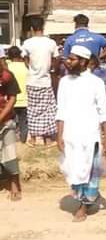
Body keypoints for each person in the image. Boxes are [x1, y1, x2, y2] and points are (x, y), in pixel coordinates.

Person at [56, 45, 106, 222]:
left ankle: (83, 206)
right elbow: (61, 110)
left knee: (89, 169)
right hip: (70, 135)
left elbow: (104, 112)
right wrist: (59, 134)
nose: (68, 62)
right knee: (73, 169)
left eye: (72, 59)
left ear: (83, 62)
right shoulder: (64, 82)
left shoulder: (96, 83)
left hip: (90, 134)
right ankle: (83, 198)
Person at [22, 16, 59, 147]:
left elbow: (25, 59)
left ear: (31, 28)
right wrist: (50, 69)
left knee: (32, 110)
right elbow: (56, 60)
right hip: (46, 81)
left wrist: (31, 68)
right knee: (48, 110)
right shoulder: (51, 43)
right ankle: (47, 139)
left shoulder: (27, 43)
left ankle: (33, 139)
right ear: (43, 27)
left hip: (32, 81)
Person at [0, 51, 22, 201]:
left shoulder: (7, 76)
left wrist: (1, 117)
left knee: (10, 152)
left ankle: (14, 184)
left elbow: (12, 99)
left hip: (6, 119)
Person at [6, 47, 28, 143]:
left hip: (11, 101)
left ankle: (13, 142)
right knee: (24, 123)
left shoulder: (8, 68)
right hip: (25, 100)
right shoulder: (26, 66)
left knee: (12, 124)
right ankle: (22, 141)